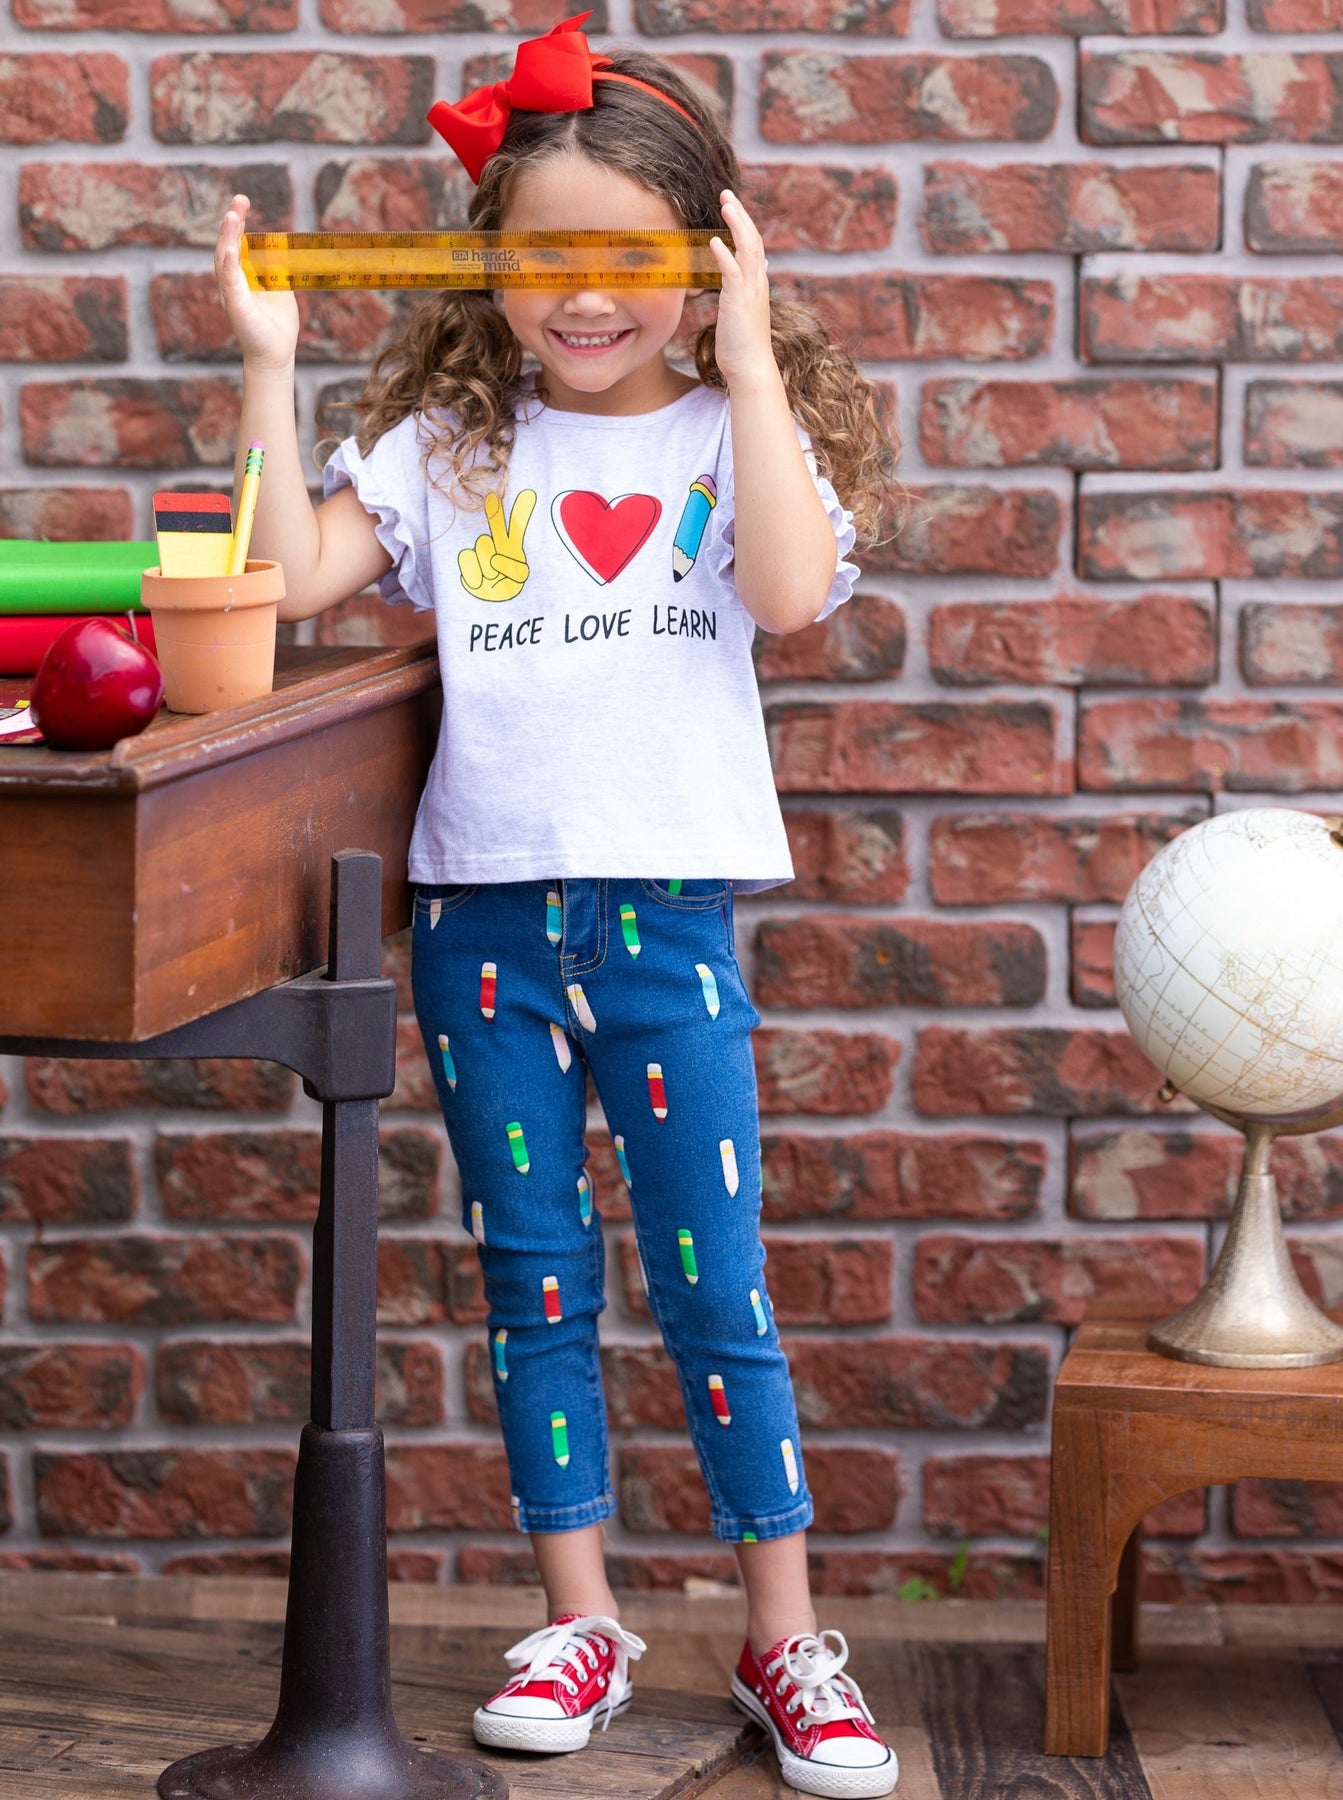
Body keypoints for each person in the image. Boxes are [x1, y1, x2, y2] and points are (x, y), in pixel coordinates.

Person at [214, 14, 901, 1796]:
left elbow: (790, 590)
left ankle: (782, 1637)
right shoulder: (451, 445)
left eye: (633, 262)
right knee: (532, 1283)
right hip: (482, 929)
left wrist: (751, 363)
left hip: (667, 923)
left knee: (716, 1288)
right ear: (488, 270)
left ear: (705, 264)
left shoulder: (727, 436)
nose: (587, 298)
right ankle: (580, 1616)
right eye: (545, 261)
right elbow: (287, 581)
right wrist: (270, 370)